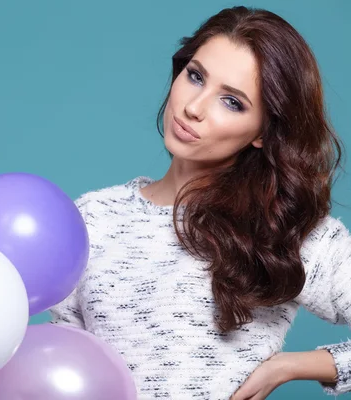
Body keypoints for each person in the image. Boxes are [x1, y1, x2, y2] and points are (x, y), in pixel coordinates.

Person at [49, 5, 350, 400]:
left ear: (263, 132)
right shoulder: (92, 219)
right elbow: (63, 372)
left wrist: (290, 367)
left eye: (232, 102)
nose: (194, 107)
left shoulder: (285, 228)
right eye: (195, 77)